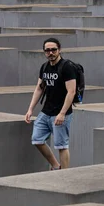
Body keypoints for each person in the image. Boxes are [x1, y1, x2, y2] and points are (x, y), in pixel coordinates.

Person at [25, 38, 77, 170]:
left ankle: (65, 175)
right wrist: (30, 109)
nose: (50, 52)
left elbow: (71, 92)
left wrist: (62, 113)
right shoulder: (44, 67)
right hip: (46, 111)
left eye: (53, 49)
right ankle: (56, 166)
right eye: (47, 50)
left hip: (61, 112)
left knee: (62, 146)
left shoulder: (67, 67)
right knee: (37, 139)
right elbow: (39, 88)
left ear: (59, 50)